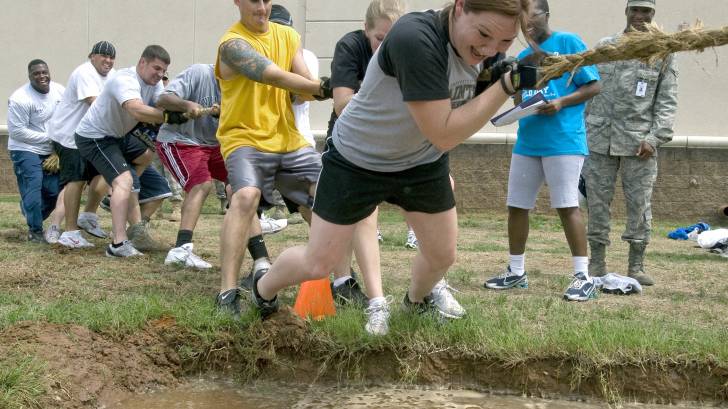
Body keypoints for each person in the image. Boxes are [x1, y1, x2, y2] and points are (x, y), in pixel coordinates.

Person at [254, 0, 539, 333]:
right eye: (484, 34)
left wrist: (520, 77)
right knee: (319, 263)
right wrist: (505, 87)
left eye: (505, 42)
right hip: (357, 160)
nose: (490, 48)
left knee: (441, 255)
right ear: (460, 7)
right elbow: (444, 133)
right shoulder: (415, 38)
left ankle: (415, 303)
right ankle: (263, 289)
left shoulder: (484, 50)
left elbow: (464, 112)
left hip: (420, 161)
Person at [213, 0, 333, 316]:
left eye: (267, 0)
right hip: (244, 139)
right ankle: (227, 294)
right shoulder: (231, 45)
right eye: (254, 0)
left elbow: (301, 90)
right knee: (246, 196)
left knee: (331, 191)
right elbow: (273, 76)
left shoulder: (288, 36)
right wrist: (325, 87)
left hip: (288, 139)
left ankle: (338, 278)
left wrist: (337, 87)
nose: (263, 7)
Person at [483, 0, 601, 301]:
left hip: (563, 140)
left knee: (566, 206)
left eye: (532, 14)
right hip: (528, 141)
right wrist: (521, 99)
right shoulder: (523, 56)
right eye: (522, 17)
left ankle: (582, 276)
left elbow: (593, 86)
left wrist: (560, 102)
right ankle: (516, 272)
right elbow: (519, 97)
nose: (527, 22)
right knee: (517, 206)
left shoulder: (569, 42)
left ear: (546, 14)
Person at [582, 0, 678, 286]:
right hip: (600, 138)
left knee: (639, 204)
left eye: (646, 11)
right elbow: (589, 89)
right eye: (635, 9)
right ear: (626, 11)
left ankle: (636, 264)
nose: (639, 16)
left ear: (653, 14)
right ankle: (597, 262)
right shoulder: (606, 46)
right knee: (597, 202)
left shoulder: (662, 51)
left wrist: (655, 137)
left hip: (640, 143)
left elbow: (667, 100)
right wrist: (583, 129)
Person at [327, 0, 420, 252]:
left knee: (432, 184)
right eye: (380, 38)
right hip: (350, 139)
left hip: (396, 136)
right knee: (357, 204)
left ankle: (419, 236)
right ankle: (347, 276)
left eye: (393, 39)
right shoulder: (351, 46)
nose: (387, 48)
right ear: (365, 28)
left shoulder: (411, 48)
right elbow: (342, 106)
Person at [75, 45, 182, 257]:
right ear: (142, 62)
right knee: (124, 181)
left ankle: (122, 207)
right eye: (156, 68)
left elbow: (161, 104)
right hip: (94, 137)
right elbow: (136, 109)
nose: (160, 74)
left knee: (147, 157)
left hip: (119, 137)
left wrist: (185, 108)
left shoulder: (156, 82)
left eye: (163, 71)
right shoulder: (124, 79)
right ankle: (118, 244)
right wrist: (170, 117)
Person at [154, 63, 228, 268]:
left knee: (242, 180)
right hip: (179, 141)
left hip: (213, 145)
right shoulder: (200, 73)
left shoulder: (242, 84)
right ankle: (180, 250)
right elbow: (162, 99)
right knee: (201, 185)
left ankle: (254, 225)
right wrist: (186, 105)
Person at [49, 41, 117, 248]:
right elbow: (96, 105)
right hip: (70, 136)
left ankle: (87, 216)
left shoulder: (113, 75)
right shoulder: (84, 73)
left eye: (111, 57)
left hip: (93, 136)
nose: (108, 60)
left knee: (104, 174)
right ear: (92, 56)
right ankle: (66, 230)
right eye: (103, 55)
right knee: (76, 181)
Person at [7, 59, 65, 243]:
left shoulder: (59, 91)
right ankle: (35, 231)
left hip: (51, 151)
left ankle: (30, 211)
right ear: (29, 76)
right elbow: (17, 131)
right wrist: (50, 138)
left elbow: (66, 116)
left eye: (44, 72)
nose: (42, 76)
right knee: (34, 186)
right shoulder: (20, 98)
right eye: (36, 74)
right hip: (25, 149)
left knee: (55, 191)